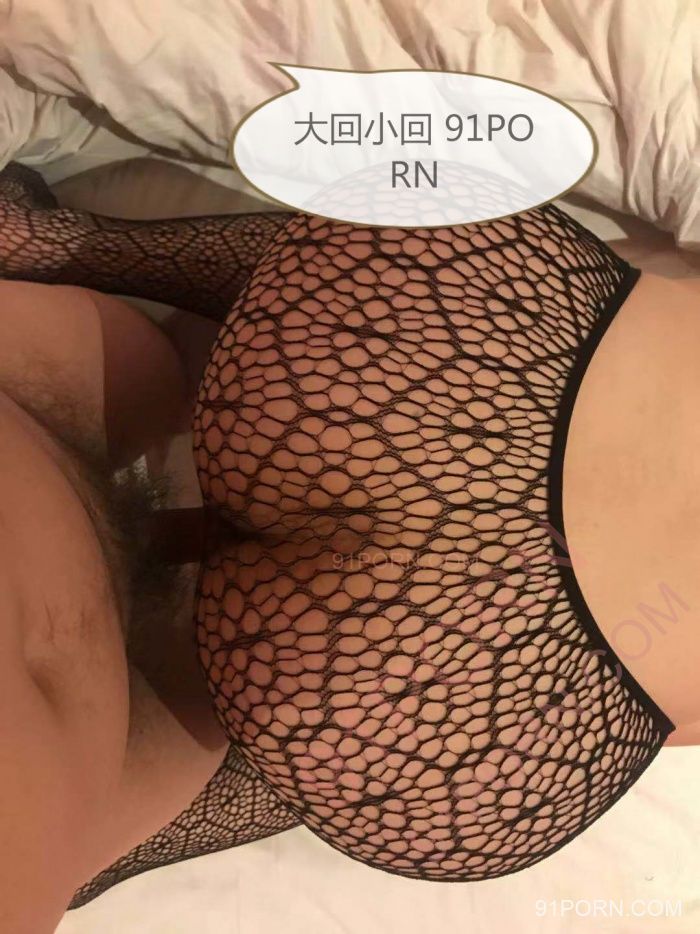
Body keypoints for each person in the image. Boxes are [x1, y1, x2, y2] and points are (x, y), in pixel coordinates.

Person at [0, 162, 697, 931]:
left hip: (496, 350)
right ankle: (133, 836)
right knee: (207, 766)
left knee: (262, 324)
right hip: (509, 669)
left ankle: (56, 243)